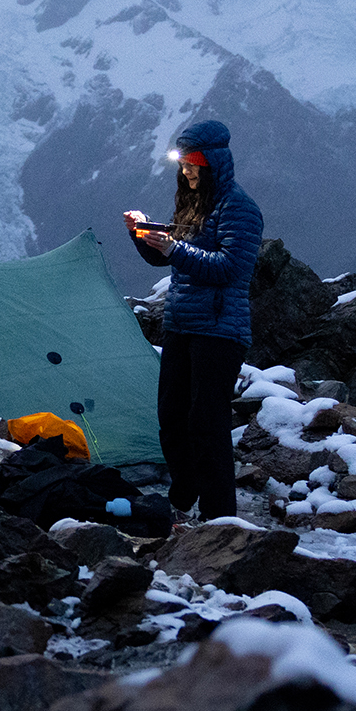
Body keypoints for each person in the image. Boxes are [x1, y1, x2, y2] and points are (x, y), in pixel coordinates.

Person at [123, 120, 262, 522]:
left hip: (219, 330)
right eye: (183, 165)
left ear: (213, 163)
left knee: (207, 423)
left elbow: (229, 267)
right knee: (172, 416)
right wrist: (142, 234)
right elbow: (172, 257)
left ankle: (221, 516)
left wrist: (175, 248)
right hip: (182, 325)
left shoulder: (239, 207)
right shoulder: (192, 205)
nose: (187, 172)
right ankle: (184, 494)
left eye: (193, 165)